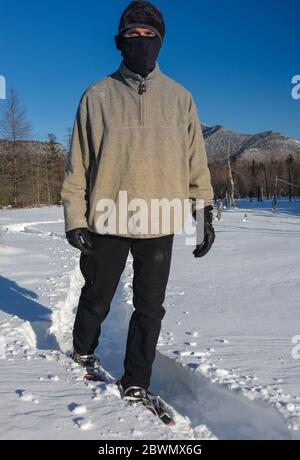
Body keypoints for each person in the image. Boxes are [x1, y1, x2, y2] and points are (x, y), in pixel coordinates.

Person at [61, 0, 215, 404]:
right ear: (120, 42)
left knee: (151, 309)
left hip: (160, 220)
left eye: (149, 35)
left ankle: (136, 379)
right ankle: (82, 351)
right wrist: (75, 218)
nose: (141, 42)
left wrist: (202, 214)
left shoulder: (181, 98)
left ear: (160, 42)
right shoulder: (96, 96)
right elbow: (78, 164)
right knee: (97, 295)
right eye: (133, 35)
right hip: (107, 218)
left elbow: (195, 162)